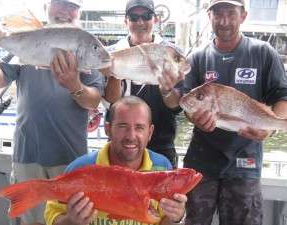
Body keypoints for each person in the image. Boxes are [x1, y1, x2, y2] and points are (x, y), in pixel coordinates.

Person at [162, 0, 287, 224]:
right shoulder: (198, 57)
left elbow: (282, 96)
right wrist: (196, 119)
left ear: (244, 16)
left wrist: (271, 129)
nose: (224, 21)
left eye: (231, 13)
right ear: (209, 16)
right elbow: (186, 101)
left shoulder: (262, 52)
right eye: (218, 14)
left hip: (245, 165)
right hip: (201, 163)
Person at [0, 1, 104, 225]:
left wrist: (74, 85)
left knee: (71, 219)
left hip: (70, 158)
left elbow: (95, 99)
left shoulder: (85, 44)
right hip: (27, 154)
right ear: (46, 7)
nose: (65, 11)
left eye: (71, 6)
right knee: (31, 220)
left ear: (79, 12)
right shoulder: (28, 37)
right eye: (59, 3)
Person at [44, 96, 187, 225]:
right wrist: (71, 220)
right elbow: (52, 216)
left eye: (139, 127)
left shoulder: (163, 168)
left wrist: (176, 216)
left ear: (149, 133)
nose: (131, 136)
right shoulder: (79, 168)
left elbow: (163, 220)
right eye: (122, 126)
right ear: (108, 129)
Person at [103, 0, 184, 167]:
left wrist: (167, 90)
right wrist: (114, 73)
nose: (140, 22)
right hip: (122, 146)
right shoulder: (111, 54)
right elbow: (111, 102)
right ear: (126, 21)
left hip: (162, 145)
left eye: (146, 16)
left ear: (155, 19)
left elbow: (177, 107)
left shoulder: (172, 54)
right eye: (133, 17)